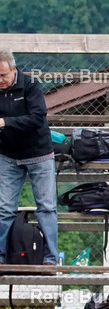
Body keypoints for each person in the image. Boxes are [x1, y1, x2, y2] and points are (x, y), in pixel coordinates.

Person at [0, 51, 58, 264]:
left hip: (39, 154)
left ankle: (51, 259)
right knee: (4, 209)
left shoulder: (31, 86)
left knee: (46, 207)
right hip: (7, 156)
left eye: (4, 75)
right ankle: (1, 257)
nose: (0, 80)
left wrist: (5, 123)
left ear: (14, 70)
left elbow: (36, 118)